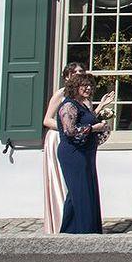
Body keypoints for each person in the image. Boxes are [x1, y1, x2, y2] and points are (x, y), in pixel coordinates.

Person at [57, 72, 110, 234]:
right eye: (84, 85)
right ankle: (83, 231)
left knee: (84, 190)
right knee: (80, 191)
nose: (88, 88)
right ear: (75, 87)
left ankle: (72, 230)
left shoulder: (81, 105)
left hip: (86, 152)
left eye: (90, 85)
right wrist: (94, 128)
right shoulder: (69, 106)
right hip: (74, 153)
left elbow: (87, 119)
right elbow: (69, 131)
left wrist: (101, 107)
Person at [42, 62, 85, 234]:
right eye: (74, 72)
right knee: (61, 178)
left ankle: (75, 221)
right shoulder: (60, 94)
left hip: (74, 138)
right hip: (58, 138)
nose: (78, 74)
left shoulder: (82, 96)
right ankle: (60, 221)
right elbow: (47, 120)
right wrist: (66, 128)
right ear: (67, 77)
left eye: (81, 71)